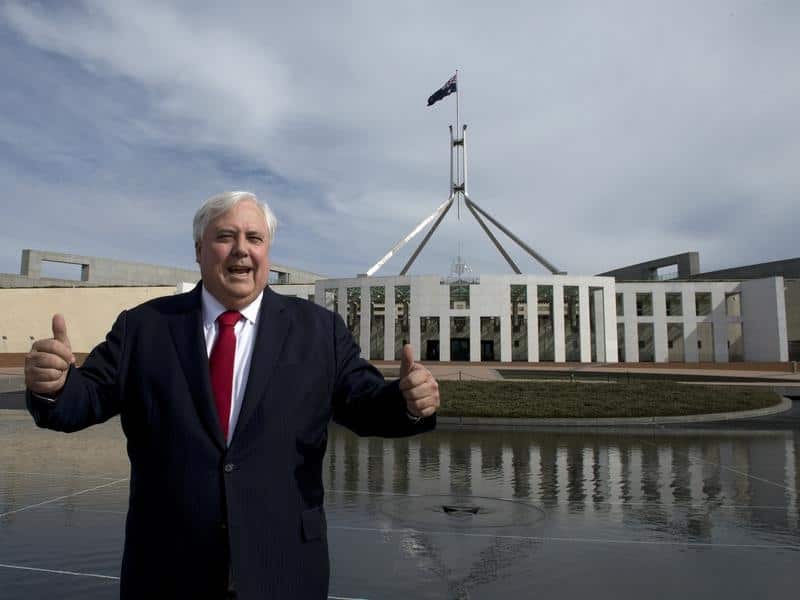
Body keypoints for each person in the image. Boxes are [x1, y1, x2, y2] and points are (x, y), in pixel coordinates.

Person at [25, 191, 440, 599]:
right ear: (199, 250)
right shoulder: (144, 328)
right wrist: (53, 386)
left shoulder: (319, 331)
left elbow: (366, 405)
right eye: (226, 236)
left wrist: (406, 401)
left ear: (267, 253)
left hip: (284, 568)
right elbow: (82, 400)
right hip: (166, 569)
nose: (242, 250)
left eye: (254, 239)